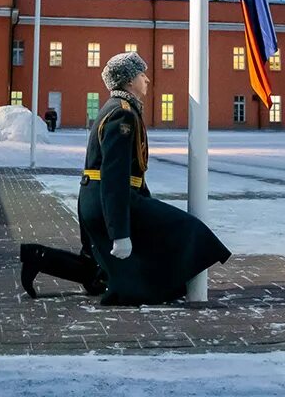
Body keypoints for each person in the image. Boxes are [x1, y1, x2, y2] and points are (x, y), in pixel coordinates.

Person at [78, 52, 231, 305]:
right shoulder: (122, 114)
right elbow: (114, 177)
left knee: (162, 233)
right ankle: (161, 286)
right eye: (141, 74)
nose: (147, 79)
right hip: (110, 201)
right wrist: (120, 232)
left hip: (105, 198)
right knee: (189, 230)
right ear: (128, 81)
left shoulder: (119, 108)